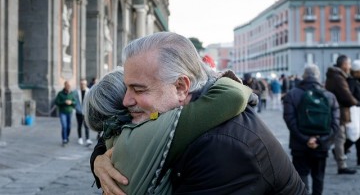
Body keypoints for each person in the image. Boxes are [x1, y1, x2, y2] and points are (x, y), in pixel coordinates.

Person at [91, 32, 306, 195]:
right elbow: (118, 130)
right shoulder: (167, 112)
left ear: (181, 87)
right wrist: (99, 161)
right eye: (127, 87)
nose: (126, 100)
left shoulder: (222, 146)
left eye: (139, 89)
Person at [84, 67, 253, 194]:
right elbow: (233, 95)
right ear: (128, 107)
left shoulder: (115, 137)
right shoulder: (158, 128)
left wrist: (97, 160)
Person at [283, 64, 340, 195]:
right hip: (321, 145)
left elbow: (289, 120)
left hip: (299, 145)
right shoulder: (330, 96)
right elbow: (335, 123)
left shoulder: (292, 94)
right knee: (318, 177)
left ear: (303, 76)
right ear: (319, 77)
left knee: (301, 177)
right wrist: (320, 140)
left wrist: (305, 139)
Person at [325, 55, 360, 174]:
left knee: (334, 137)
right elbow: (346, 95)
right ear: (344, 64)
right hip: (339, 111)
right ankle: (342, 166)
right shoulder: (338, 78)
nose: (350, 66)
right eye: (349, 64)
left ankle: (319, 151)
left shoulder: (336, 76)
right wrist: (356, 102)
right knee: (340, 138)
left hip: (337, 110)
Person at [344, 59, 360, 165]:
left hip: (357, 110)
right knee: (355, 135)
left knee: (357, 136)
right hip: (355, 111)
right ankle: (340, 149)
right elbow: (350, 97)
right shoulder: (351, 81)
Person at [55, 81, 76, 145]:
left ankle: (67, 136)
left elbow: (75, 102)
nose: (68, 86)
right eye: (67, 85)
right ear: (65, 86)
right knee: (64, 126)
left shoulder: (72, 93)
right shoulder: (60, 93)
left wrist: (71, 102)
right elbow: (56, 102)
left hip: (70, 112)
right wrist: (64, 102)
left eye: (69, 85)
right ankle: (64, 139)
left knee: (69, 127)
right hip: (62, 112)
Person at [73, 78, 92, 146]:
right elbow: (73, 100)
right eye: (81, 84)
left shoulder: (89, 91)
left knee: (86, 125)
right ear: (80, 84)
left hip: (86, 111)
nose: (82, 85)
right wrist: (75, 107)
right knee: (79, 125)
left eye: (84, 84)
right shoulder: (76, 92)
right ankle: (80, 138)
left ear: (86, 84)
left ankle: (87, 139)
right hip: (78, 111)